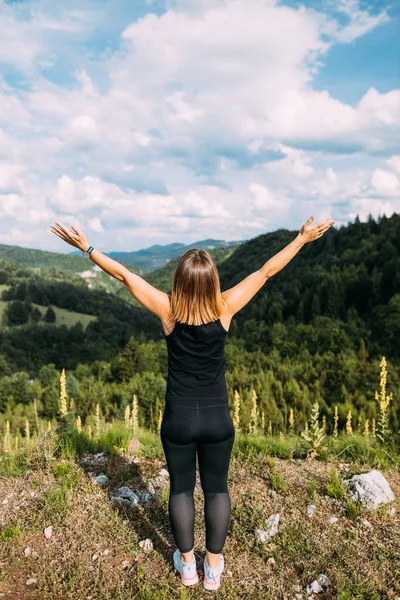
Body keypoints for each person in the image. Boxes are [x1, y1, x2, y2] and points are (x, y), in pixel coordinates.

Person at [49, 215, 335, 590]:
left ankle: (186, 564)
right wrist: (301, 239)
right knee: (217, 488)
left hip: (179, 419)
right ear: (213, 281)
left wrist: (87, 248)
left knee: (181, 489)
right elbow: (266, 272)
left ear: (179, 282)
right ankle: (213, 567)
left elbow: (124, 276)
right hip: (217, 419)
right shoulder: (225, 307)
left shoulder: (169, 311)